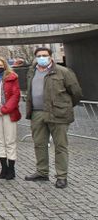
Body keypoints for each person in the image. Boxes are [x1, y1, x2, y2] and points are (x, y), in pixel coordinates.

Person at [24, 47, 82, 189]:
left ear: (50, 57)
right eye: (39, 55)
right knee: (39, 144)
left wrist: (64, 106)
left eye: (45, 55)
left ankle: (62, 176)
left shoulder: (63, 72)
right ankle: (42, 172)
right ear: (35, 57)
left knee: (60, 146)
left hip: (58, 114)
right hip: (37, 113)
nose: (42, 57)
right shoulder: (32, 72)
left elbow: (76, 93)